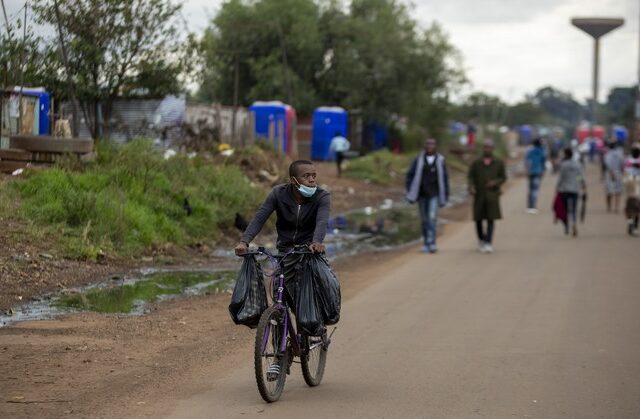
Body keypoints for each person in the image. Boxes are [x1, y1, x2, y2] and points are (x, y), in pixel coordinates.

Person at [234, 160, 330, 303]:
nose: (312, 180)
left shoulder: (322, 196)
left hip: (309, 251)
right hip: (285, 251)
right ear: (294, 180)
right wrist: (244, 241)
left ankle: (314, 323)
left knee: (317, 293)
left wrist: (317, 243)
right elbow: (260, 217)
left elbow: (322, 221)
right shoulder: (278, 194)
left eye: (314, 176)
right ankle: (278, 321)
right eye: (306, 176)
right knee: (279, 293)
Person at [405, 138, 450, 253]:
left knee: (432, 218)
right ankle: (425, 242)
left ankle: (432, 242)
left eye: (432, 144)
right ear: (425, 146)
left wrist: (445, 194)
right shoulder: (418, 160)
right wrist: (410, 190)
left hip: (434, 194)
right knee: (424, 220)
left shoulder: (440, 160)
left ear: (435, 146)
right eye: (428, 144)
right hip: (421, 194)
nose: (430, 146)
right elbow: (410, 175)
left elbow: (445, 179)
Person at [468, 140, 507, 253]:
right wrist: (471, 187)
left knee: (491, 219)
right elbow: (470, 177)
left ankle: (489, 242)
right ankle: (481, 240)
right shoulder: (476, 163)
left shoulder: (498, 162)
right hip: (479, 195)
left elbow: (503, 177)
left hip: (492, 195)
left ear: (493, 149)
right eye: (485, 147)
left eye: (489, 147)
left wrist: (495, 182)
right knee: (478, 219)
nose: (487, 149)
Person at [556, 148, 586, 237]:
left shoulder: (563, 165)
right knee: (573, 209)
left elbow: (561, 178)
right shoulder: (577, 165)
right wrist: (582, 185)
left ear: (565, 154)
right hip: (575, 189)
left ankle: (566, 225)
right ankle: (573, 222)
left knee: (565, 209)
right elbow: (580, 176)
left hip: (565, 190)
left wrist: (557, 188)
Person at [525, 138, 546, 213]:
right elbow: (543, 162)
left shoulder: (530, 151)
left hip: (531, 172)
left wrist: (527, 170)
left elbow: (527, 161)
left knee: (530, 189)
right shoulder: (542, 151)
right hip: (538, 172)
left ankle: (529, 206)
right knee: (535, 190)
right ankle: (533, 206)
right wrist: (543, 170)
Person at [623, 143, 640, 236]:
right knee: (637, 209)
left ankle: (630, 223)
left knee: (629, 208)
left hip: (629, 189)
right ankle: (635, 226)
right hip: (637, 189)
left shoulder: (627, 162)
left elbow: (624, 176)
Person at [603, 141, 625, 213]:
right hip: (618, 173)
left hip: (609, 173)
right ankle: (616, 208)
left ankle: (609, 207)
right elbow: (622, 164)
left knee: (609, 191)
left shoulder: (607, 154)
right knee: (618, 192)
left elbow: (607, 164)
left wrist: (611, 172)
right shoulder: (620, 154)